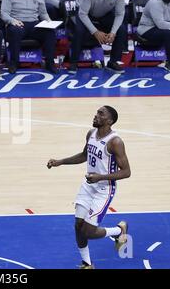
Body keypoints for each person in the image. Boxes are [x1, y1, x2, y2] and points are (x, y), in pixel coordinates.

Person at [47, 105, 131, 269]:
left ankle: (119, 231)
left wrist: (100, 177)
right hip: (88, 186)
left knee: (88, 232)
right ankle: (87, 264)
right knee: (78, 225)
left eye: (101, 114)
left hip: (104, 190)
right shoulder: (91, 134)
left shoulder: (115, 142)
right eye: (96, 112)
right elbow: (84, 155)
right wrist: (60, 162)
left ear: (110, 120)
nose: (96, 115)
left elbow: (126, 172)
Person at [1, 0, 57, 74]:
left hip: (34, 24)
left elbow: (43, 13)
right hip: (17, 23)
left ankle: (50, 63)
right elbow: (3, 14)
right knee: (15, 32)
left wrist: (49, 22)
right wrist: (12, 21)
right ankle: (13, 63)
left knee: (49, 32)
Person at [68, 0, 126, 74]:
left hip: (104, 13)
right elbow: (83, 14)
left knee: (121, 30)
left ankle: (113, 62)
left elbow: (120, 14)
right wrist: (95, 32)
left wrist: (113, 32)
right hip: (86, 13)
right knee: (79, 30)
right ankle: (73, 62)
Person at [137, 0, 170, 72]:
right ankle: (169, 64)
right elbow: (161, 24)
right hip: (146, 29)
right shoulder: (155, 2)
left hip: (159, 28)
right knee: (168, 33)